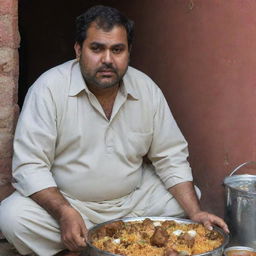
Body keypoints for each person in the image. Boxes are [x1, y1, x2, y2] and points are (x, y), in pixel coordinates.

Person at [0, 5, 228, 256]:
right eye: (97, 48)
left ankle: (91, 248)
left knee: (187, 196)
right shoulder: (48, 89)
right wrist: (64, 212)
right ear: (78, 50)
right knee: (12, 216)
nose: (107, 59)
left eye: (117, 50)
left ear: (129, 52)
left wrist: (195, 213)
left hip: (133, 204)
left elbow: (170, 156)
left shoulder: (146, 89)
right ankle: (93, 242)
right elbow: (30, 166)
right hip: (72, 205)